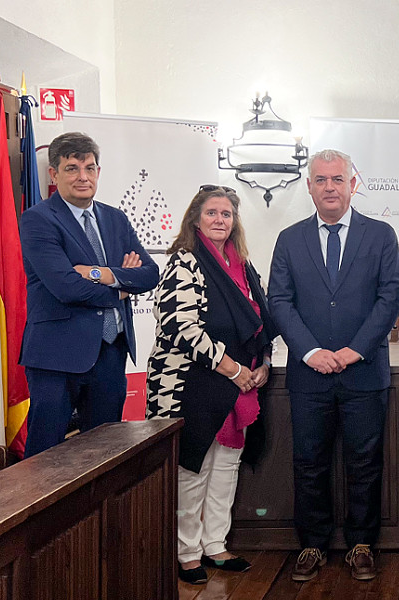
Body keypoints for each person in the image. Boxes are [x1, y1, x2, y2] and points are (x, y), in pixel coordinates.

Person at [268, 149, 399, 582]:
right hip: (309, 374)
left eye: (337, 179)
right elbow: (279, 301)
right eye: (321, 180)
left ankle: (362, 544)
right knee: (309, 462)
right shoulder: (289, 239)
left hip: (364, 371)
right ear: (309, 186)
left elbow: (390, 296)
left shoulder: (380, 235)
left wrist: (355, 350)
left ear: (353, 183)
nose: (329, 187)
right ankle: (312, 544)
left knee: (365, 462)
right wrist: (310, 351)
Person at [145, 185, 277, 585]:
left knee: (225, 469)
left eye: (226, 214)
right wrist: (234, 370)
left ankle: (215, 545)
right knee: (193, 468)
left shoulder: (243, 264)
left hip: (237, 386)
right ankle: (186, 552)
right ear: (195, 218)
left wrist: (264, 363)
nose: (220, 220)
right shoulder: (184, 261)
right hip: (193, 383)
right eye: (212, 213)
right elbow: (181, 328)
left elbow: (261, 320)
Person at [19, 132, 159, 457]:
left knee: (103, 456)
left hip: (110, 354)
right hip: (56, 358)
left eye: (90, 168)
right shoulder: (38, 220)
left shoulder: (115, 219)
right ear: (54, 174)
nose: (83, 177)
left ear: (98, 171)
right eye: (72, 168)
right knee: (46, 460)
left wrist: (102, 274)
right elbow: (65, 286)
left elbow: (150, 274)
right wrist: (120, 291)